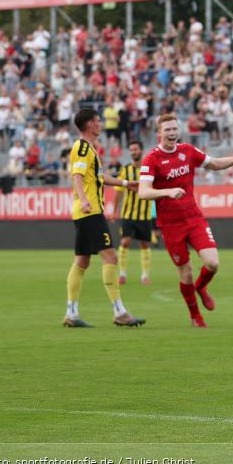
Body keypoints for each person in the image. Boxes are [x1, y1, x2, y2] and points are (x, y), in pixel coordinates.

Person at [137, 113, 233, 328]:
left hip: (194, 218)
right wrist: (167, 192)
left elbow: (214, 163)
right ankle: (195, 316)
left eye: (174, 129)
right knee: (185, 273)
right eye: (167, 130)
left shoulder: (188, 151)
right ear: (159, 133)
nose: (172, 133)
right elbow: (143, 192)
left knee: (213, 263)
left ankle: (201, 287)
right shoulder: (151, 159)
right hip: (170, 225)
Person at [63, 108, 145, 328]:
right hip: (90, 212)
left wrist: (126, 184)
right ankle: (120, 312)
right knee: (110, 257)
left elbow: (99, 177)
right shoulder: (82, 147)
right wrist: (85, 200)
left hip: (83, 212)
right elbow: (77, 175)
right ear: (90, 124)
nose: (101, 124)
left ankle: (71, 313)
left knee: (82, 260)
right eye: (98, 121)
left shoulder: (88, 148)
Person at [111, 140, 154, 286]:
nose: (133, 152)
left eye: (135, 149)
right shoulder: (125, 170)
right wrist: (114, 211)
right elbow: (118, 192)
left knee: (144, 244)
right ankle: (122, 274)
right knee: (125, 242)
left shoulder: (149, 169)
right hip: (128, 214)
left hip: (144, 214)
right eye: (131, 150)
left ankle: (145, 276)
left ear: (141, 151)